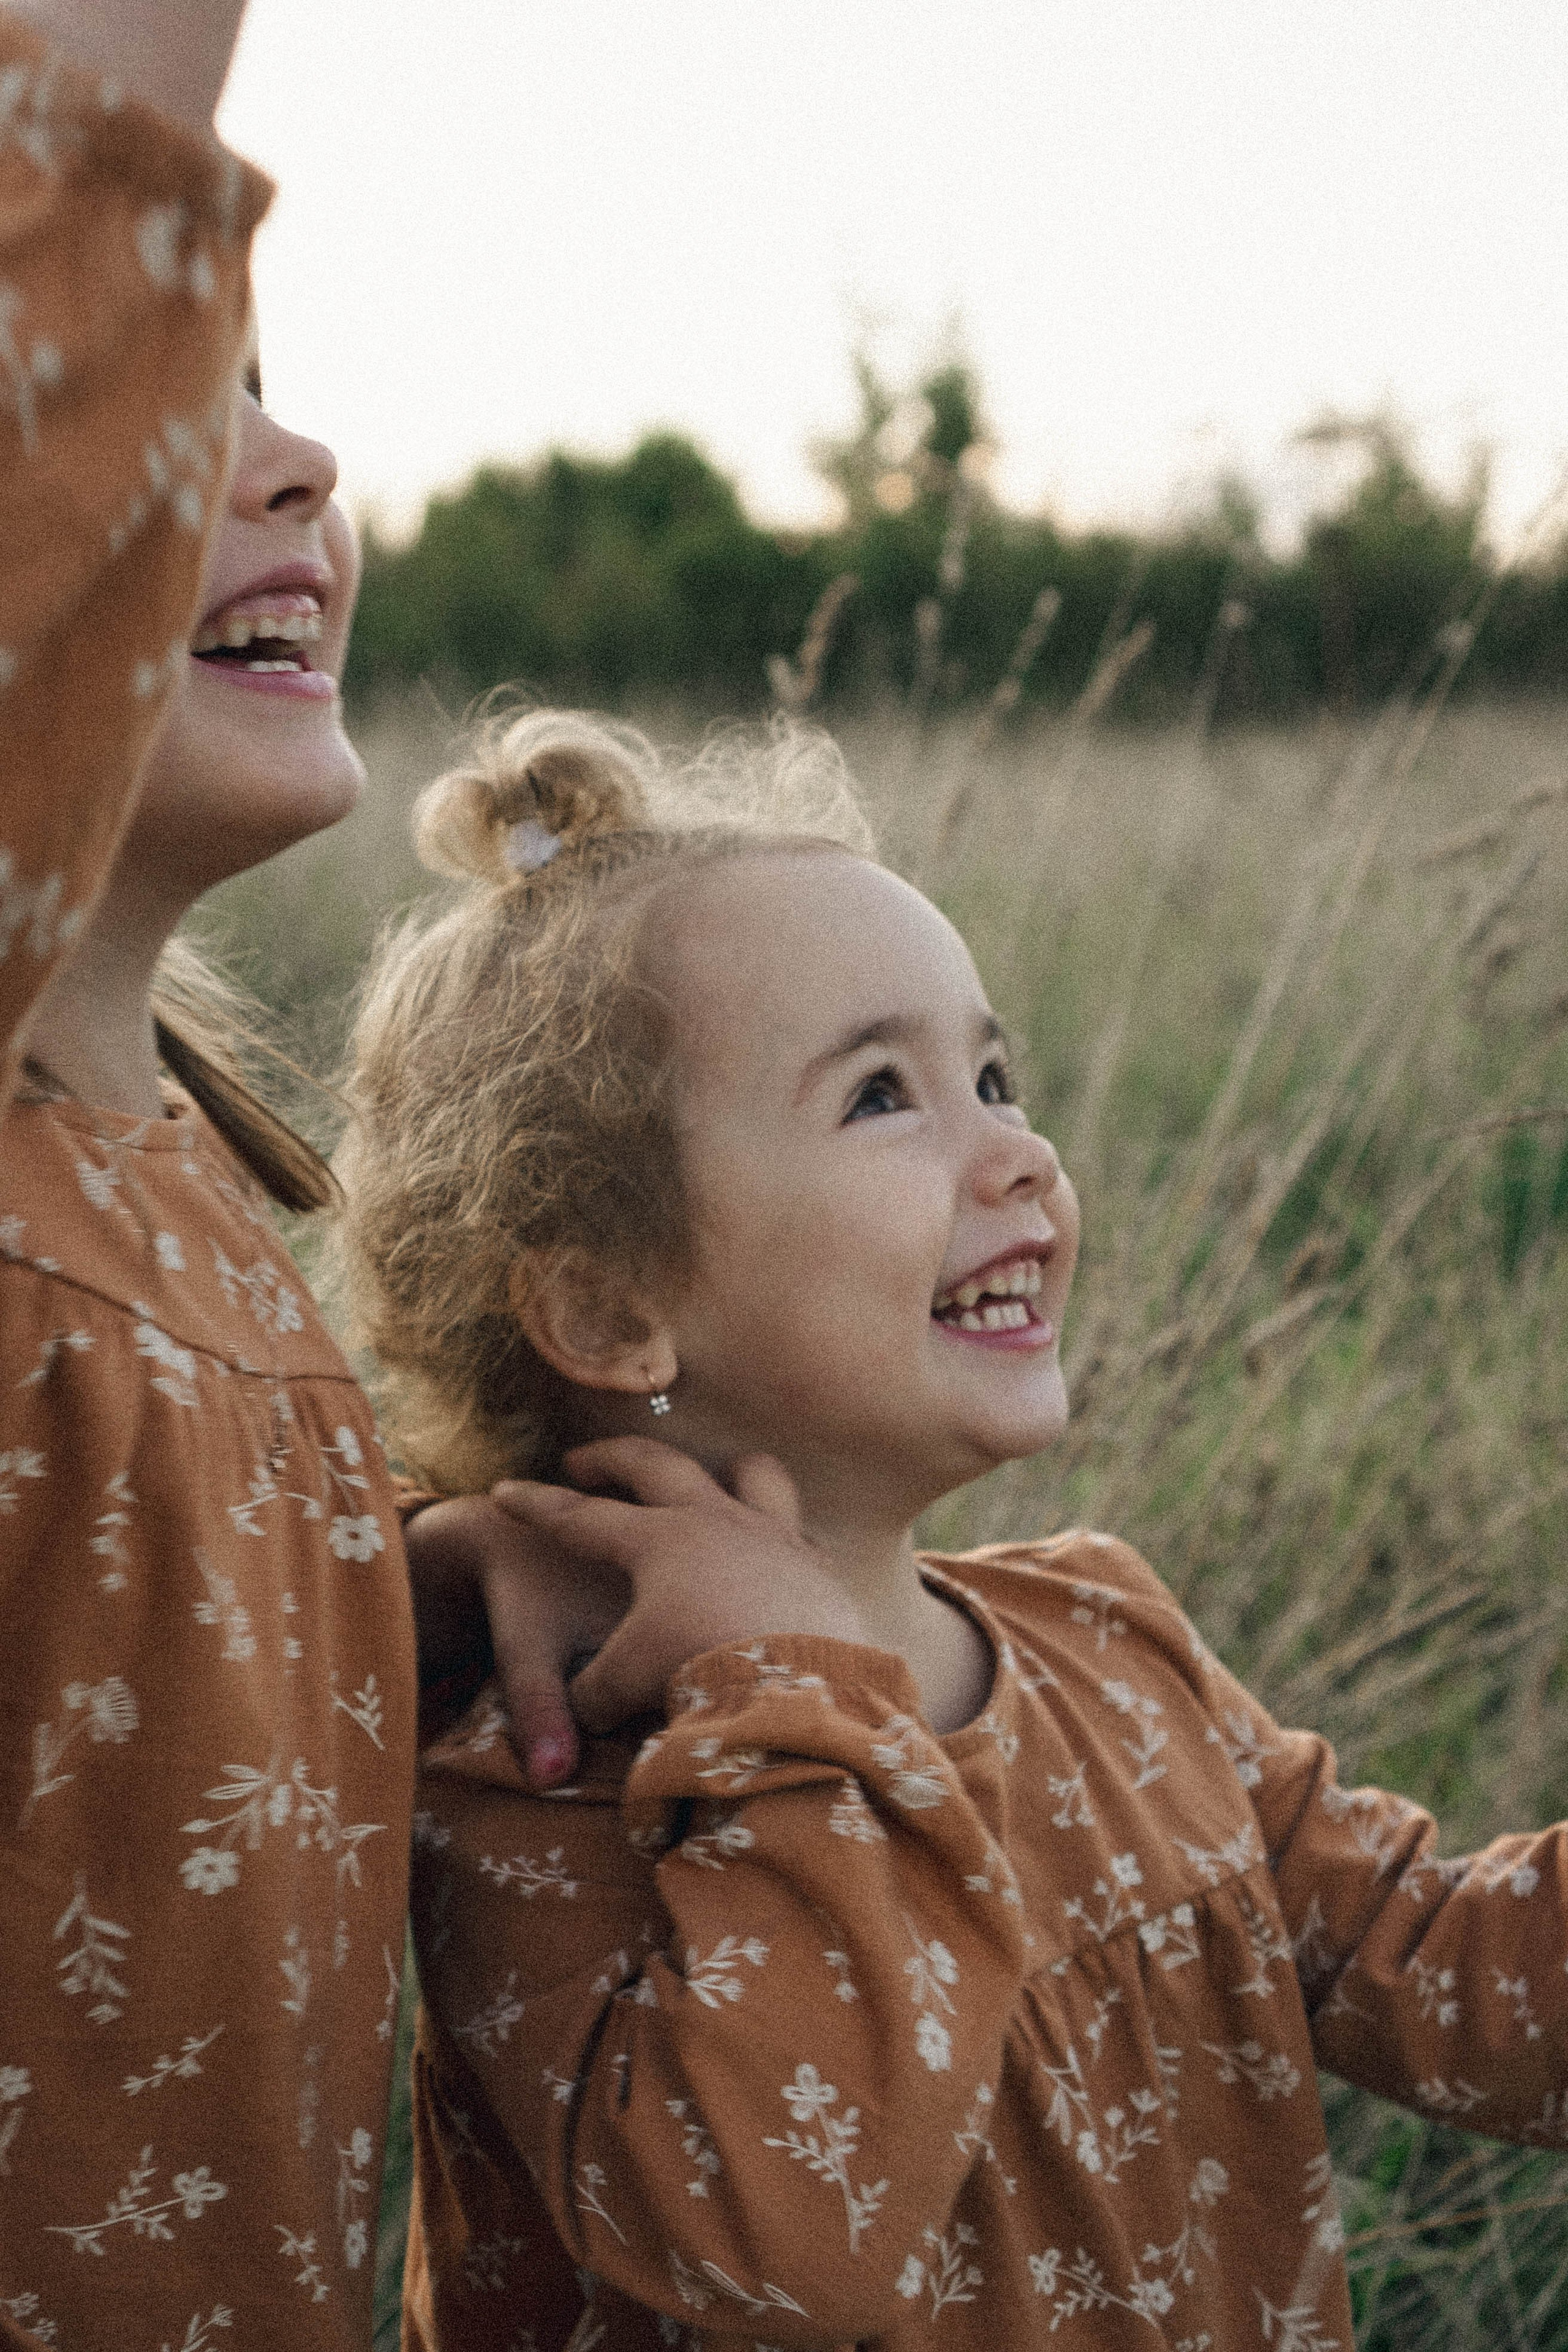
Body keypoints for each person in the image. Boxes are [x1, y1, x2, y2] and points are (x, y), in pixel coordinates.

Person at [337, 706, 1568, 2352]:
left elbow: (1460, 1975)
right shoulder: (553, 1784)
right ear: (606, 1304)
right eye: (881, 1097)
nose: (1023, 1154)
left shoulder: (1112, 1650)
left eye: (996, 1074)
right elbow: (773, 2248)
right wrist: (800, 1683)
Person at [0, 9, 594, 2342]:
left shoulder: (177, 1192)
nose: (295, 457)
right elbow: (84, 148)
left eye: (275, 389)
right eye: (181, 395)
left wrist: (405, 1610)